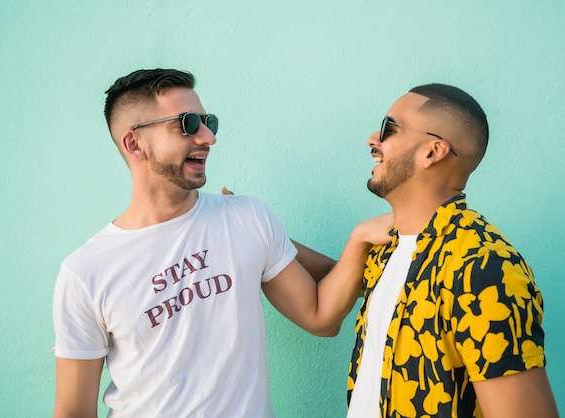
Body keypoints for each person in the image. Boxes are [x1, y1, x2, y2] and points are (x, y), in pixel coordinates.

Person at [51, 68, 390, 417]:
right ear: (134, 143)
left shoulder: (248, 218)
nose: (207, 137)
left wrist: (358, 240)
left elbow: (322, 319)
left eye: (207, 122)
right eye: (187, 124)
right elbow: (74, 410)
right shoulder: (85, 272)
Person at [346, 84, 559, 418]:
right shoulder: (389, 249)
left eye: (389, 128)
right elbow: (332, 283)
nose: (373, 139)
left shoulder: (483, 267)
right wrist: (252, 226)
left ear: (432, 152)